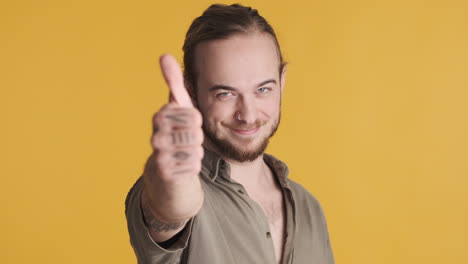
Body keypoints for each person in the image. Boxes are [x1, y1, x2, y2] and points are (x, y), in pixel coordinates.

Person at [125, 3, 334, 264]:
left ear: (282, 82)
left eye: (263, 90)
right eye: (225, 93)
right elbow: (170, 208)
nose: (247, 114)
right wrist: (174, 181)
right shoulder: (170, 187)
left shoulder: (309, 208)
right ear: (191, 92)